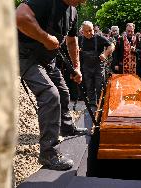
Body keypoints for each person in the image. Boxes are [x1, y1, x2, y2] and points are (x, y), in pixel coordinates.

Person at [16, 0, 87, 170]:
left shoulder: (73, 10)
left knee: (63, 91)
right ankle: (48, 153)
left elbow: (71, 41)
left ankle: (67, 128)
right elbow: (19, 17)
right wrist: (45, 37)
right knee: (50, 95)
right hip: (26, 57)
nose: (84, 1)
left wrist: (76, 67)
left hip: (49, 59)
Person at [78, 21, 115, 108]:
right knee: (89, 85)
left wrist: (105, 54)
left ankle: (101, 103)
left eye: (91, 30)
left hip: (98, 66)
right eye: (86, 31)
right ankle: (92, 104)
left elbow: (112, 46)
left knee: (99, 86)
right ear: (82, 31)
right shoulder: (80, 39)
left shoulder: (99, 38)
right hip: (86, 67)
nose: (89, 33)